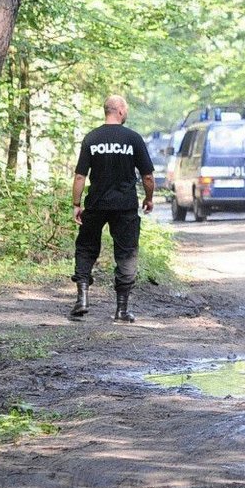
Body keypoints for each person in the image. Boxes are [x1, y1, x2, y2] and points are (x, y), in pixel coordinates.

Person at [71, 94, 155, 322]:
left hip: (96, 204)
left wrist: (76, 204)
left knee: (86, 248)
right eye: (125, 109)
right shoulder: (133, 139)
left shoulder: (92, 138)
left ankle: (82, 299)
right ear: (119, 111)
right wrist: (149, 199)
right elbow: (147, 176)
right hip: (125, 206)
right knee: (126, 253)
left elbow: (80, 176)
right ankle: (121, 310)